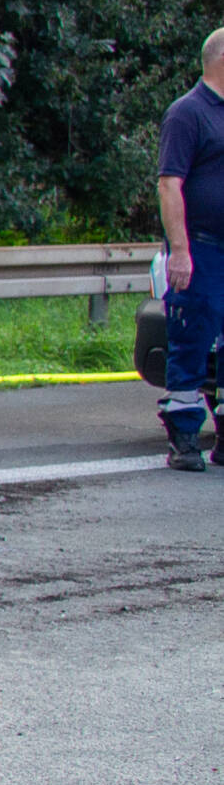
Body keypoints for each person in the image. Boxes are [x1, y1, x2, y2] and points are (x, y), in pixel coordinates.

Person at [156, 27, 224, 470]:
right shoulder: (188, 113)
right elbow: (169, 184)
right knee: (192, 341)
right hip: (202, 250)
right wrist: (180, 251)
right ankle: (183, 439)